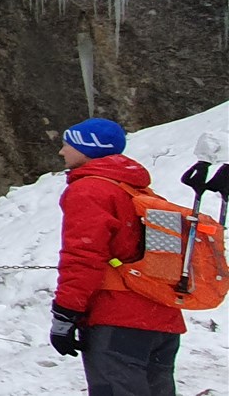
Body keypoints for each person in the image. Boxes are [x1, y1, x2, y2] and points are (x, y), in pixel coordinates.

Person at [49, 117, 184, 396]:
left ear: (89, 148)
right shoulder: (138, 189)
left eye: (67, 145)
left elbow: (83, 255)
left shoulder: (90, 190)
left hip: (117, 320)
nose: (62, 152)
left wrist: (65, 314)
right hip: (162, 317)